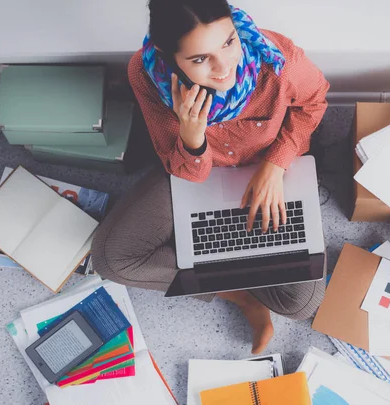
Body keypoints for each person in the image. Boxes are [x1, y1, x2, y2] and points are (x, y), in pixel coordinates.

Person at [92, 0, 329, 354]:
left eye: (228, 42)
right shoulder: (145, 74)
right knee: (113, 260)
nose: (224, 68)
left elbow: (314, 103)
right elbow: (184, 171)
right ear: (169, 56)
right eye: (200, 59)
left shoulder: (278, 59)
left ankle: (214, 262)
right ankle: (243, 298)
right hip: (197, 170)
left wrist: (276, 164)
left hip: (268, 168)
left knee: (301, 303)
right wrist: (192, 137)